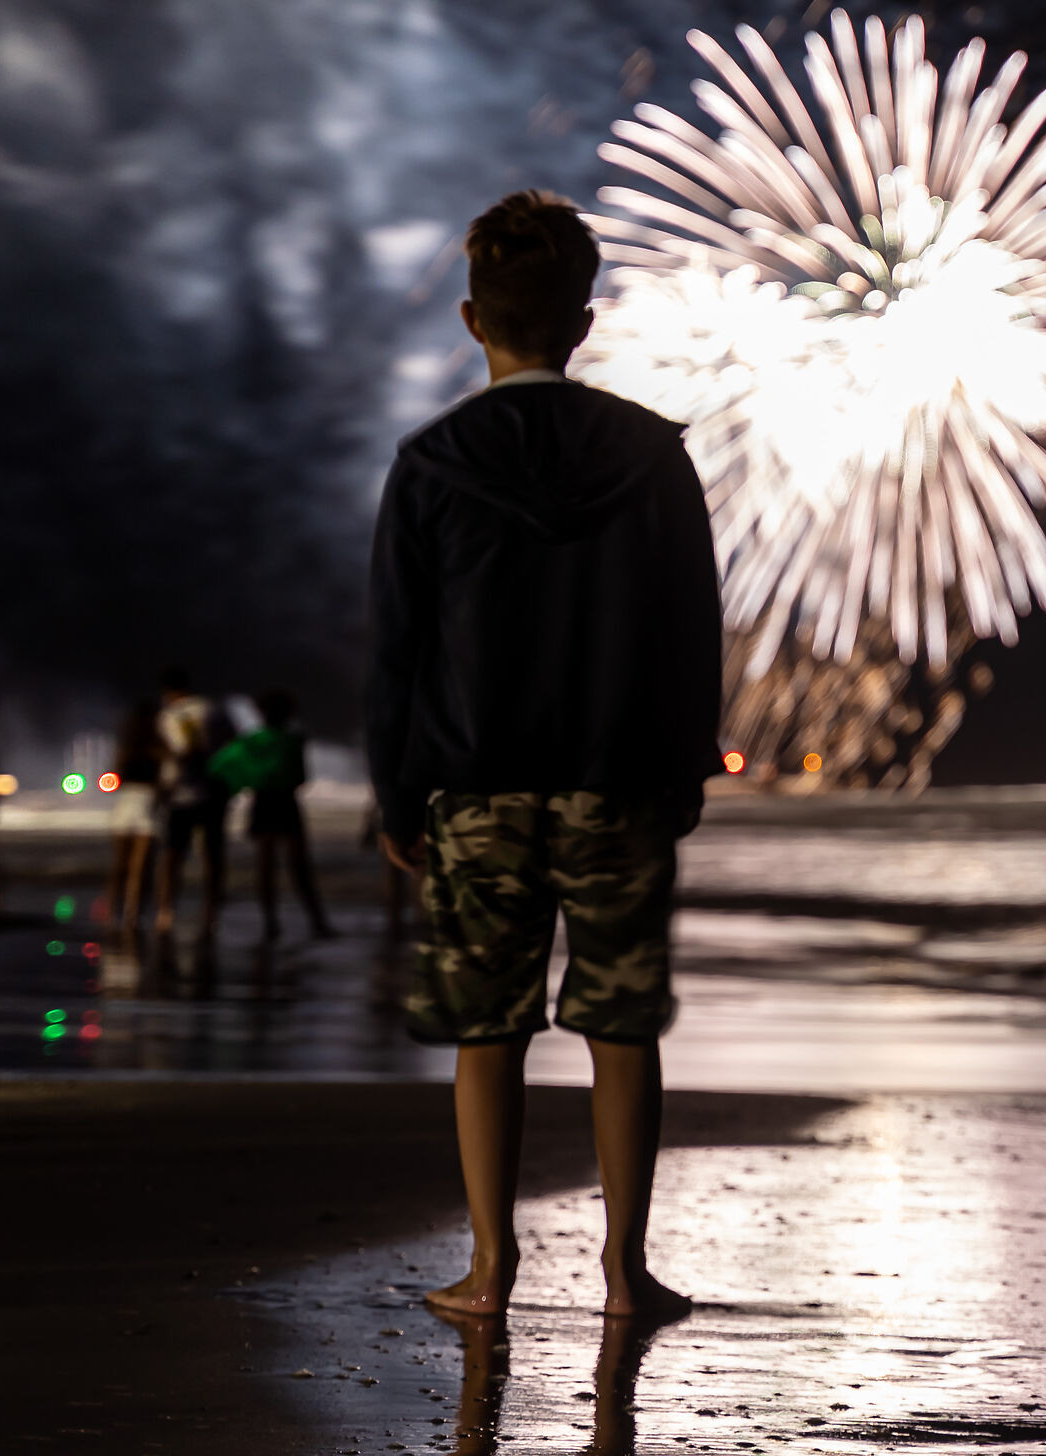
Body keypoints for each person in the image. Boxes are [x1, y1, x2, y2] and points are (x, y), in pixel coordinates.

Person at [367, 190, 721, 1320]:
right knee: (620, 1024)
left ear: (476, 320)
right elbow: (693, 630)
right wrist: (685, 770)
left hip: (475, 782)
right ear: (582, 321)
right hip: (621, 778)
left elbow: (397, 647)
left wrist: (396, 791)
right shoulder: (652, 454)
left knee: (489, 1028)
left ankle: (490, 1268)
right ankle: (625, 1272)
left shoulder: (431, 462)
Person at [209, 688, 333, 941]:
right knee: (299, 865)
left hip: (263, 803)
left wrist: (238, 785)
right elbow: (301, 778)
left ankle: (270, 923)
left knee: (265, 866)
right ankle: (317, 922)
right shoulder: (294, 739)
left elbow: (219, 765)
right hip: (287, 803)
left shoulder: (251, 741)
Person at [152, 665, 232, 939]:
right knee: (212, 855)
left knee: (173, 854)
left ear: (167, 691)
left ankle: (166, 910)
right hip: (215, 791)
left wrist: (165, 786)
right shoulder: (214, 709)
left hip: (181, 793)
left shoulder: (172, 714)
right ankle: (210, 912)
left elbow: (186, 750)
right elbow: (231, 745)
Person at [103, 698, 162, 939]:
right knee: (141, 866)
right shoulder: (158, 745)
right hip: (147, 800)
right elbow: (166, 776)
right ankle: (133, 915)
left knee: (120, 865)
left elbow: (114, 775)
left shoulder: (126, 745)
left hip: (126, 801)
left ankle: (113, 913)